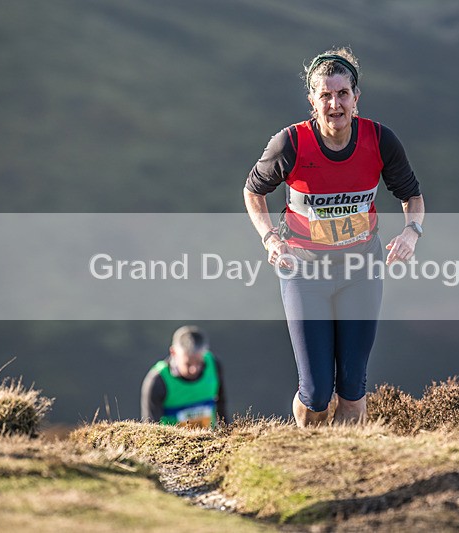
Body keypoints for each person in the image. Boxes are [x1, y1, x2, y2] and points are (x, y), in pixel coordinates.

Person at [243, 47, 424, 427]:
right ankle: (307, 448)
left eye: (342, 94)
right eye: (325, 95)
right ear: (312, 101)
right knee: (316, 394)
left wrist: (411, 231)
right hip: (304, 272)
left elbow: (412, 195)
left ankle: (344, 458)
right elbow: (253, 191)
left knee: (353, 391)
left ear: (356, 97)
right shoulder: (290, 143)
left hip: (361, 270)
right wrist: (270, 239)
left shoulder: (380, 140)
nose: (335, 104)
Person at [140, 326, 227, 428]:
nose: (194, 369)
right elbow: (151, 427)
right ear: (173, 352)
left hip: (211, 437)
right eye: (188, 364)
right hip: (173, 438)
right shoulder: (157, 380)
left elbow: (221, 405)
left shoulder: (213, 364)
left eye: (199, 363)